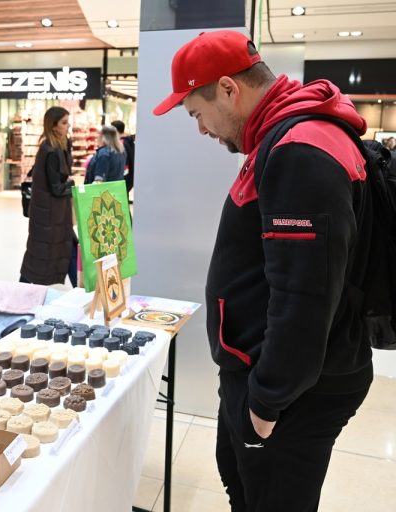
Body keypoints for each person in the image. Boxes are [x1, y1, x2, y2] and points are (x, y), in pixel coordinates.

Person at [153, 31, 372, 511]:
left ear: (229, 89)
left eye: (197, 113)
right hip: (268, 375)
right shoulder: (283, 137)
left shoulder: (299, 151)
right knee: (243, 486)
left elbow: (304, 298)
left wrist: (264, 405)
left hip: (294, 394)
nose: (202, 130)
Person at [20, 106, 77, 287]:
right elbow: (56, 188)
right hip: (50, 216)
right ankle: (20, 289)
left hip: (53, 214)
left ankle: (80, 288)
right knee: (47, 254)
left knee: (59, 250)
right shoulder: (50, 151)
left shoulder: (59, 146)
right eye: (64, 123)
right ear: (53, 126)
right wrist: (73, 184)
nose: (68, 126)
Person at [110, 120, 135, 195]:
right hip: (129, 177)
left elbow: (124, 164)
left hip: (123, 179)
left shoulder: (121, 143)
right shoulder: (129, 141)